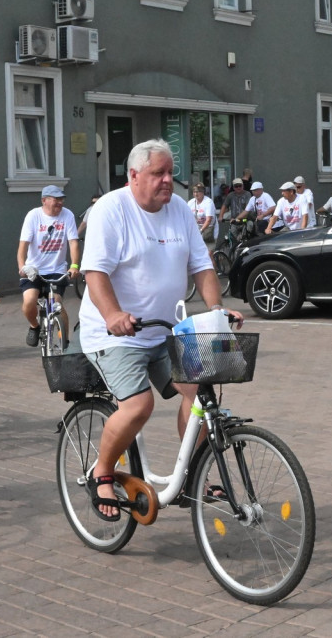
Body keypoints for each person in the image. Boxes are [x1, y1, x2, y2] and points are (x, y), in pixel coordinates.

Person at [79, 138, 244, 521]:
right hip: (115, 335)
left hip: (166, 330)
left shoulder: (180, 212)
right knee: (139, 406)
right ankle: (101, 471)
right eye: (159, 173)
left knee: (201, 392)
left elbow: (202, 266)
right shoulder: (111, 210)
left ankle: (192, 476)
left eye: (171, 173)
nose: (168, 180)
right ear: (134, 176)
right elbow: (95, 273)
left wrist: (217, 309)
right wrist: (112, 315)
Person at [18, 185, 80, 347]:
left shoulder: (68, 215)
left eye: (61, 199)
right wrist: (22, 267)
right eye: (56, 199)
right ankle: (34, 326)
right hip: (34, 270)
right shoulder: (33, 216)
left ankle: (65, 343)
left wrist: (74, 265)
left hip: (57, 270)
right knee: (29, 301)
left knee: (56, 304)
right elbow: (22, 247)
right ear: (44, 200)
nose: (60, 203)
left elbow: (73, 243)